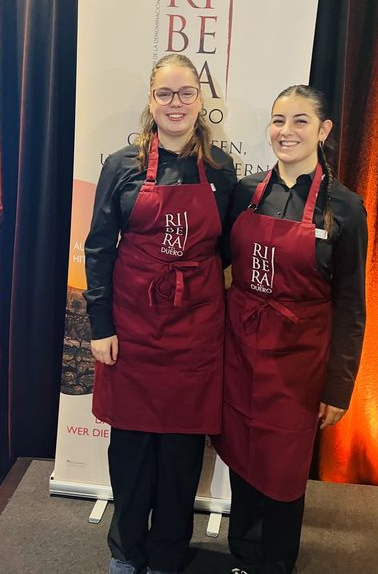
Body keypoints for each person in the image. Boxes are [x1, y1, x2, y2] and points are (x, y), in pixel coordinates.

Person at [84, 53, 236, 574]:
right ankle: (127, 552)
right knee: (130, 451)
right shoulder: (121, 166)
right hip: (132, 327)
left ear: (200, 100)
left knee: (180, 456)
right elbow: (99, 248)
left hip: (195, 331)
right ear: (151, 101)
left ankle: (168, 556)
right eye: (165, 93)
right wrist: (100, 325)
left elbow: (228, 250)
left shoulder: (221, 171)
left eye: (186, 93)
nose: (176, 103)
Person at [213, 85, 367, 574]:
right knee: (242, 458)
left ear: (323, 131)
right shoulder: (246, 192)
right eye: (279, 120)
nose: (287, 131)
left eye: (301, 121)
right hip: (241, 350)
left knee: (282, 470)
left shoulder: (345, 208)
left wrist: (339, 388)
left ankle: (276, 563)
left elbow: (351, 305)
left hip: (299, 364)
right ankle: (243, 558)